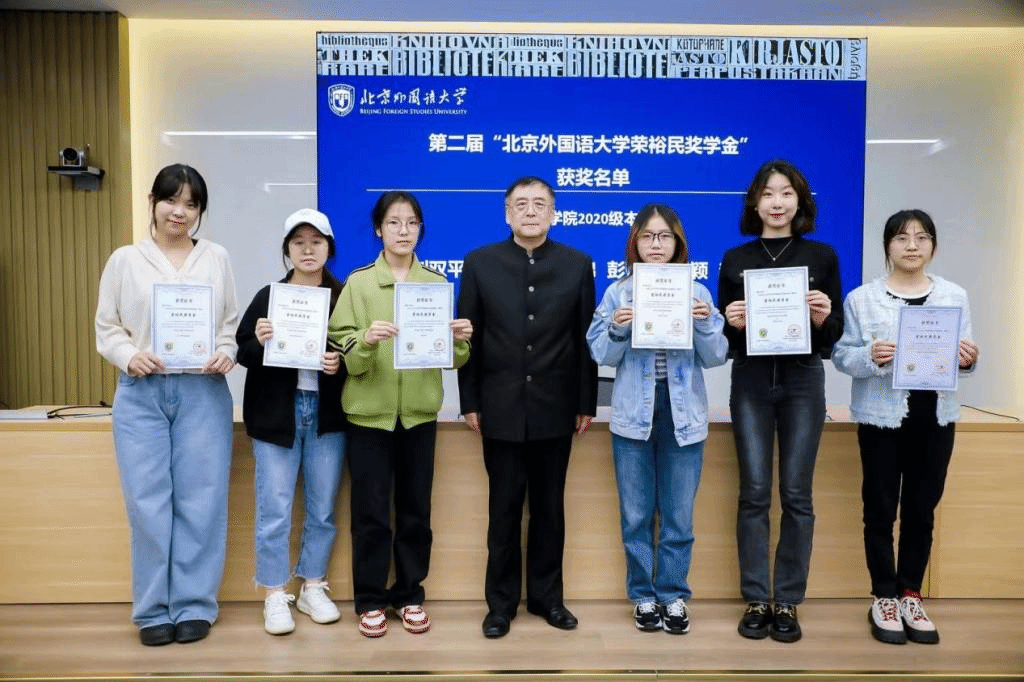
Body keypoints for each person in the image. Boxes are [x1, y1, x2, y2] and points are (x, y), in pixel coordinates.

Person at [95, 163, 238, 646]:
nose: (180, 211)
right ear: (152, 203)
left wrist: (227, 351)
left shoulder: (216, 257)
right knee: (147, 503)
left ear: (200, 212)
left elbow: (229, 323)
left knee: (202, 501)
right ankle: (153, 609)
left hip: (202, 390)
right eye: (171, 200)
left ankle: (195, 604)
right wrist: (128, 354)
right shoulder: (125, 260)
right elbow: (107, 326)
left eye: (191, 204)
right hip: (142, 392)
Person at [457, 176, 598, 639]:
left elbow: (585, 339)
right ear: (507, 213)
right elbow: (468, 337)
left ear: (554, 213)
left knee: (549, 511)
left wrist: (586, 401)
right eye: (521, 204)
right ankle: (500, 606)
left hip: (557, 406)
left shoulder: (577, 264)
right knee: (502, 511)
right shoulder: (480, 262)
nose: (531, 211)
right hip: (498, 407)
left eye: (540, 204)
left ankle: (547, 599)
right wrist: (469, 400)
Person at [328, 191, 472, 638]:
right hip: (368, 416)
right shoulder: (359, 284)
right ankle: (370, 599)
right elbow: (343, 347)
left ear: (420, 229)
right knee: (370, 513)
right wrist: (366, 340)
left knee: (415, 511)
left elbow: (451, 358)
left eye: (411, 223)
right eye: (394, 222)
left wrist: (460, 340)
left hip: (418, 416)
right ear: (379, 229)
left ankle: (410, 594)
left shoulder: (434, 284)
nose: (403, 231)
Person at [832, 209, 978, 645]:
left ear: (932, 245)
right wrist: (870, 356)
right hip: (881, 418)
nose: (912, 245)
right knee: (879, 509)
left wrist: (968, 359)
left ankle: (911, 593)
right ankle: (883, 596)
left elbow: (965, 354)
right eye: (901, 237)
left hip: (936, 418)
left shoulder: (954, 295)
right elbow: (842, 356)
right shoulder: (862, 299)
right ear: (887, 246)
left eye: (921, 237)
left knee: (921, 510)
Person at [586, 204, 728, 634]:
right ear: (635, 243)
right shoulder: (618, 294)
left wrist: (705, 323)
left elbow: (716, 356)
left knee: (678, 516)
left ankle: (672, 595)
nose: (656, 244)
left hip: (684, 413)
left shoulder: (698, 293)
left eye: (664, 236)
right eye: (647, 236)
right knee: (636, 515)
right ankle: (643, 596)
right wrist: (617, 327)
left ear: (677, 243)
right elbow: (600, 354)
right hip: (634, 413)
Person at [717, 159, 843, 643]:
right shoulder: (735, 258)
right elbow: (725, 340)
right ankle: (756, 598)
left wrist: (823, 317)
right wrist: (732, 322)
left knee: (796, 493)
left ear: (800, 201)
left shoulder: (822, 256)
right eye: (768, 193)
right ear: (754, 202)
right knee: (753, 492)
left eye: (786, 193)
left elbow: (833, 335)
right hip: (751, 380)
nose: (776, 202)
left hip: (802, 381)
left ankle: (787, 599)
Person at [236, 208, 348, 636]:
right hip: (276, 415)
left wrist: (340, 362)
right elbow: (242, 351)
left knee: (322, 508)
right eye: (298, 242)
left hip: (327, 416)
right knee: (274, 509)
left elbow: (360, 354)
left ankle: (312, 586)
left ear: (328, 248)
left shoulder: (343, 297)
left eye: (316, 242)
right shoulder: (270, 296)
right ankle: (274, 592)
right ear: (287, 250)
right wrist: (259, 339)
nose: (307, 250)